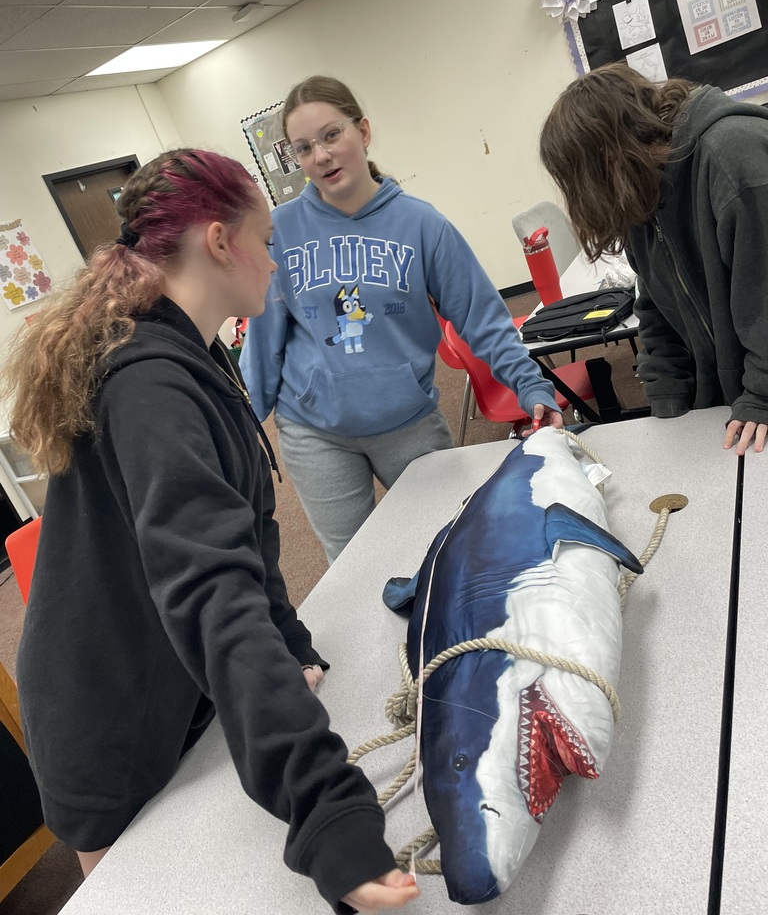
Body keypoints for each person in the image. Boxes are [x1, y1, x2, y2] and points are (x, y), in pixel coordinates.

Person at [3, 149, 418, 913]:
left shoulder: (192, 346)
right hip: (108, 717)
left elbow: (243, 531)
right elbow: (209, 587)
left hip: (176, 677)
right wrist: (328, 810)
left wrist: (288, 642)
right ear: (221, 242)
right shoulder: (148, 383)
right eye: (265, 237)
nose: (275, 258)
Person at [240, 76, 563, 563]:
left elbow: (482, 317)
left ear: (363, 131)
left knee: (452, 543)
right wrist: (245, 425)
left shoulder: (421, 223)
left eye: (332, 135)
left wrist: (530, 387)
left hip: (406, 419)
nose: (321, 156)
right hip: (314, 428)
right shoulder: (281, 230)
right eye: (304, 148)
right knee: (353, 565)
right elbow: (264, 336)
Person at [539, 62, 768, 456]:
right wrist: (666, 402)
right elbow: (655, 308)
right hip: (733, 391)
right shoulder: (644, 185)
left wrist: (761, 393)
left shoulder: (732, 153)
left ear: (607, 159)